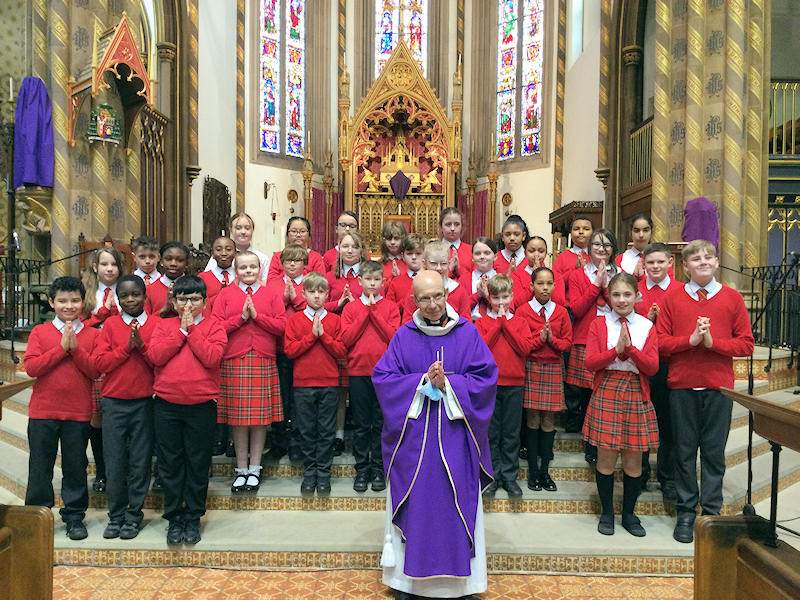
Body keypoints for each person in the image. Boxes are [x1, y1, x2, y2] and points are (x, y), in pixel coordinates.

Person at [373, 270, 497, 599]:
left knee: (456, 505)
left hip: (456, 439)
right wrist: (421, 383)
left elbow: (486, 380)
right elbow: (383, 378)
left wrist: (450, 385)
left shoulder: (467, 335)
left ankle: (461, 584)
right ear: (413, 300)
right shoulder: (403, 336)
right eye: (424, 298)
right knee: (416, 506)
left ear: (447, 295)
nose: (432, 304)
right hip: (414, 442)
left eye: (437, 296)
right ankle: (406, 582)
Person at [657, 239, 753, 544]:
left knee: (713, 453)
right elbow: (660, 342)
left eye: (708, 257)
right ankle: (685, 511)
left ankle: (710, 512)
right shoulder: (673, 298)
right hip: (682, 385)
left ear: (715, 262)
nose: (702, 262)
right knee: (684, 451)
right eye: (695, 259)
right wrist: (691, 341)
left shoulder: (732, 298)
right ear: (685, 266)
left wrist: (714, 343)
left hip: (718, 388)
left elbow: (746, 344)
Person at [147, 275, 227, 545]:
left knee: (197, 463)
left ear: (205, 302)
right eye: (183, 299)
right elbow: (156, 357)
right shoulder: (163, 325)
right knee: (170, 464)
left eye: (194, 299)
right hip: (167, 405)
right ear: (173, 301)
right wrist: (181, 331)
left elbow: (212, 358)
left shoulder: (215, 326)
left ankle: (193, 516)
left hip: (201, 405)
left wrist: (191, 330)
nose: (189, 304)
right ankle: (174, 517)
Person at [584, 273, 659, 537]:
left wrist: (632, 352)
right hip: (607, 391)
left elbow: (652, 366)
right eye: (616, 294)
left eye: (627, 294)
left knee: (633, 461)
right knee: (605, 459)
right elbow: (590, 362)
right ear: (609, 297)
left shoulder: (646, 327)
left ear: (637, 296)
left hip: (636, 391)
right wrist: (615, 352)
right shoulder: (599, 323)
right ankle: (607, 513)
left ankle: (629, 513)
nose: (622, 299)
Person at [24, 276, 99, 541]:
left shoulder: (91, 334)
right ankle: (36, 517)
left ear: (83, 302)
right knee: (40, 467)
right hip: (43, 412)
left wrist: (75, 350)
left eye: (75, 300)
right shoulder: (40, 332)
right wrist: (61, 349)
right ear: (51, 302)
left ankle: (75, 516)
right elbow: (32, 368)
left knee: (75, 466)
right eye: (63, 301)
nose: (69, 306)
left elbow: (95, 370)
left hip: (77, 412)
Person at [213, 251, 286, 493]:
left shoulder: (270, 293)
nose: (248, 272)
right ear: (236, 270)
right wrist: (240, 319)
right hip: (234, 361)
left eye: (252, 267)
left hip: (263, 360)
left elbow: (281, 325)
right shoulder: (225, 295)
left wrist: (258, 317)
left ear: (259, 269)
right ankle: (241, 469)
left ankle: (255, 468)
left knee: (259, 420)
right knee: (239, 420)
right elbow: (216, 327)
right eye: (243, 268)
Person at [91, 274, 157, 540]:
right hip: (114, 402)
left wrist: (140, 347)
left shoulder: (156, 324)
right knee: (115, 461)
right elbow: (100, 364)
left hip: (144, 402)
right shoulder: (109, 326)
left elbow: (160, 362)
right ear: (117, 300)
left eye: (136, 294)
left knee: (140, 462)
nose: (131, 300)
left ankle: (134, 515)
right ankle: (116, 515)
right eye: (125, 296)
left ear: (145, 296)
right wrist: (125, 350)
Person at [284, 272, 347, 496]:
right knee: (307, 430)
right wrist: (312, 336)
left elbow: (341, 351)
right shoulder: (295, 320)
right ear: (304, 294)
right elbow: (290, 351)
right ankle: (309, 473)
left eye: (321, 292)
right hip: (303, 384)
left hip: (328, 383)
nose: (317, 296)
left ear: (327, 294)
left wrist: (324, 337)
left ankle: (324, 473)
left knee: (326, 430)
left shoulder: (335, 320)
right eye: (312, 291)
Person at [341, 260, 400, 493]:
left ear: (383, 282)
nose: (373, 284)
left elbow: (392, 338)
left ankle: (378, 467)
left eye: (377, 280)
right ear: (360, 281)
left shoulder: (391, 307)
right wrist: (366, 312)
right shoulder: (351, 308)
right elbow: (347, 339)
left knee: (380, 422)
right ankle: (361, 468)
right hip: (358, 373)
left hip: (385, 374)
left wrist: (374, 312)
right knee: (361, 423)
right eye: (369, 280)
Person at [475, 274, 533, 498]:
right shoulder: (481, 322)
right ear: (488, 298)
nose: (501, 302)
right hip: (489, 385)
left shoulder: (520, 322)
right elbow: (481, 350)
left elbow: (524, 349)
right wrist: (498, 324)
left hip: (514, 384)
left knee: (510, 434)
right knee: (490, 433)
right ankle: (492, 477)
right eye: (496, 297)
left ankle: (509, 477)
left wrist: (505, 325)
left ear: (512, 296)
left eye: (505, 297)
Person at [515, 266, 572, 492]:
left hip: (553, 368)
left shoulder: (561, 312)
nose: (545, 287)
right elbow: (521, 344)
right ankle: (532, 471)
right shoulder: (522, 311)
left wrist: (553, 341)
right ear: (531, 286)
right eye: (540, 283)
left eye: (549, 283)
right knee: (532, 420)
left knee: (548, 421)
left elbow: (568, 343)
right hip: (531, 367)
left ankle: (545, 470)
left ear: (555, 286)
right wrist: (540, 339)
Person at [566, 228, 618, 464]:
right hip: (585, 337)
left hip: (612, 338)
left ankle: (601, 440)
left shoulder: (621, 274)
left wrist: (606, 288)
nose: (601, 249)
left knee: (604, 392)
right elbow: (576, 309)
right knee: (586, 393)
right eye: (596, 244)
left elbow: (621, 305)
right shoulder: (578, 275)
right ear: (589, 249)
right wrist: (595, 286)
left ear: (613, 250)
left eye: (606, 245)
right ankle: (589, 443)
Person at [634, 242, 682, 499]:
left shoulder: (681, 291)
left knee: (668, 423)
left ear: (670, 263)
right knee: (641, 421)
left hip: (669, 364)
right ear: (643, 264)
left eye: (660, 262)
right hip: (641, 365)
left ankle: (667, 477)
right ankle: (639, 473)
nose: (655, 267)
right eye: (650, 262)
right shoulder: (635, 291)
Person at [81, 246, 126, 494]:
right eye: (104, 264)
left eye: (114, 264)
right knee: (97, 418)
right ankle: (101, 470)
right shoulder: (87, 293)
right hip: (95, 359)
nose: (109, 269)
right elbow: (77, 322)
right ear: (95, 267)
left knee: (120, 418)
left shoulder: (128, 289)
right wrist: (102, 313)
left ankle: (122, 469)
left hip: (122, 359)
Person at [264, 244, 308, 463]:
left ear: (304, 264)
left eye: (297, 260)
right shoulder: (272, 284)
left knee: (299, 399)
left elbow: (314, 309)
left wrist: (295, 299)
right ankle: (279, 442)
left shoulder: (310, 283)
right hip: (279, 349)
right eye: (288, 260)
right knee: (280, 398)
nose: (292, 264)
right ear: (281, 264)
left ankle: (297, 444)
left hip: (303, 350)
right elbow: (269, 312)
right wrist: (284, 299)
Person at [401, 241, 471, 322]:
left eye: (443, 263)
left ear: (449, 263)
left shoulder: (459, 291)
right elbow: (408, 323)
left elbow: (466, 325)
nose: (439, 268)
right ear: (424, 263)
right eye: (433, 263)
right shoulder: (416, 290)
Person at [206, 213, 270, 282]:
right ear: (231, 230)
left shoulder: (262, 259)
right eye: (238, 228)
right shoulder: (219, 256)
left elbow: (267, 284)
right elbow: (207, 280)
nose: (243, 232)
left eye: (247, 228)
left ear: (252, 230)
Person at [267, 216, 326, 282]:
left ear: (309, 234)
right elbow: (271, 280)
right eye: (294, 231)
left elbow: (320, 281)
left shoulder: (316, 257)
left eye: (302, 231)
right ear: (287, 234)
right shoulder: (277, 256)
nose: (298, 235)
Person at [324, 231, 367, 313]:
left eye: (355, 247)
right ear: (339, 250)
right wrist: (338, 303)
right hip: (335, 322)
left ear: (361, 251)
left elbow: (378, 308)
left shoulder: (370, 277)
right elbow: (320, 307)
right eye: (345, 246)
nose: (350, 251)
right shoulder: (329, 277)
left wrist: (355, 304)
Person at [385, 233, 425, 317]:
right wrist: (407, 300)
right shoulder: (396, 282)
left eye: (418, 253)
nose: (414, 257)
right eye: (409, 254)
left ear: (424, 255)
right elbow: (389, 311)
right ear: (403, 256)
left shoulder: (431, 279)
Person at [144, 242, 189, 316]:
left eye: (179, 260)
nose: (173, 263)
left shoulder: (196, 288)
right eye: (168, 259)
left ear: (187, 264)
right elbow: (146, 323)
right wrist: (165, 309)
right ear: (161, 261)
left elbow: (204, 320)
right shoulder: (149, 290)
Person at [463, 236, 498, 321]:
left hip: (494, 324)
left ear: (495, 256)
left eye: (487, 253)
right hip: (471, 324)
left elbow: (506, 309)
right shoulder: (464, 279)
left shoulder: (501, 279)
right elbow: (461, 307)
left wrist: (487, 296)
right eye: (478, 253)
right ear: (472, 257)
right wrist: (477, 295)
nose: (482, 257)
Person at [198, 235, 237, 309]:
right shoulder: (202, 278)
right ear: (212, 253)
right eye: (218, 250)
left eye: (228, 249)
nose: (224, 253)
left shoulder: (241, 276)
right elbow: (201, 305)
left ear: (235, 253)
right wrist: (220, 296)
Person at [440, 206, 472, 279]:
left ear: (462, 226)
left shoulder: (471, 250)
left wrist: (459, 270)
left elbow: (474, 279)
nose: (452, 228)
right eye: (448, 224)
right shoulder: (432, 250)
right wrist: (449, 270)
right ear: (441, 227)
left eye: (457, 224)